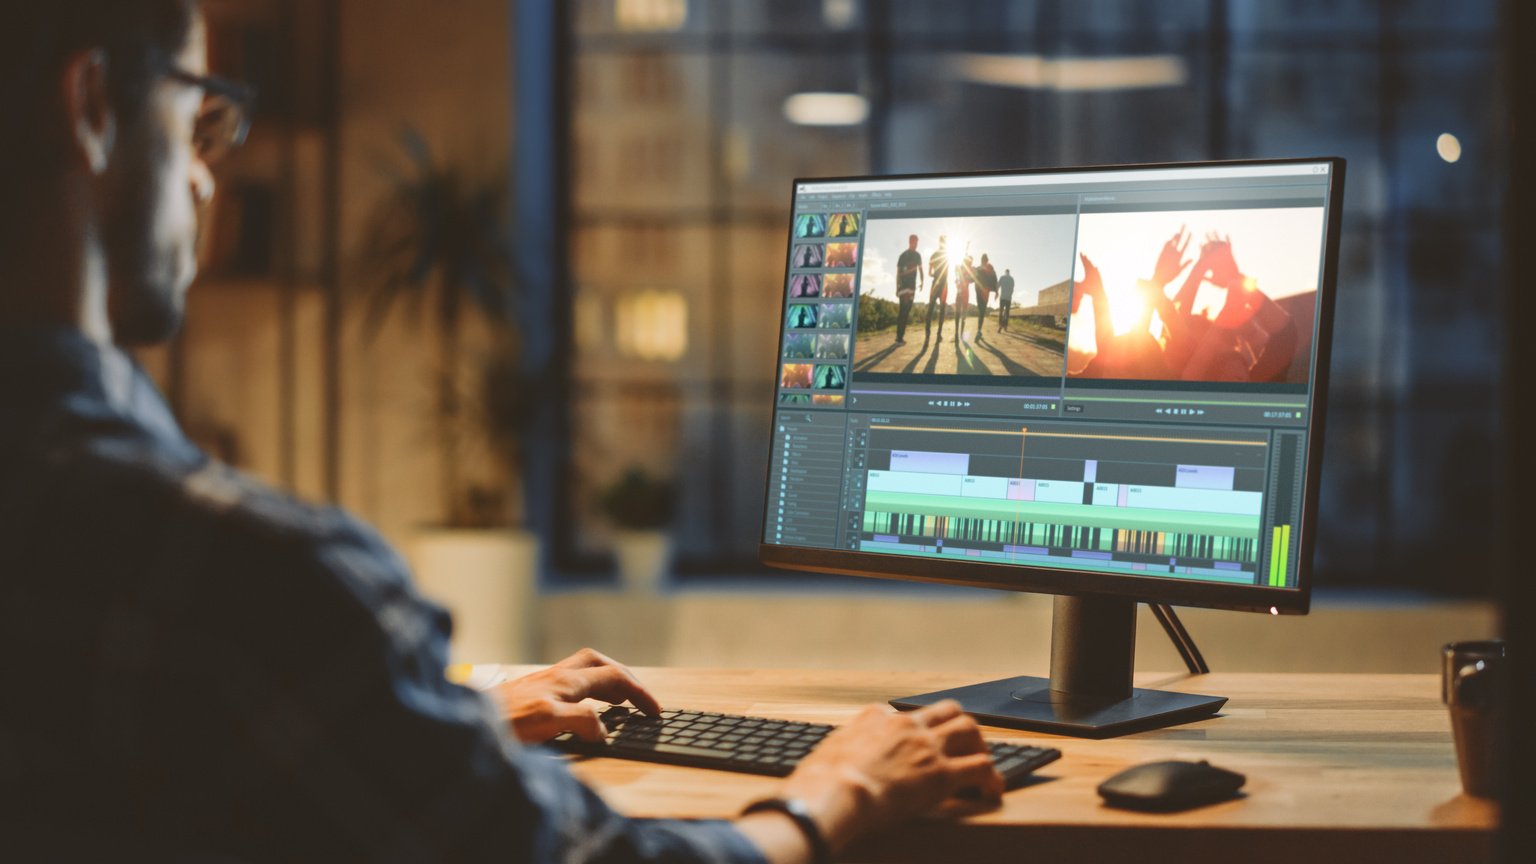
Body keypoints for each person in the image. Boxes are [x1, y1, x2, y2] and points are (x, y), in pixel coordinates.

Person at [0, 3, 1004, 861]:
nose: (207, 179)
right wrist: (836, 794)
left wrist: (439, 726)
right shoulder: (246, 580)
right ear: (90, 108)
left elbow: (195, 760)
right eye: (197, 120)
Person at [893, 233, 923, 344]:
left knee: (906, 311)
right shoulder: (902, 256)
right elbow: (898, 273)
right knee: (903, 311)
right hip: (904, 287)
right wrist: (897, 287)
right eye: (915, 242)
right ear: (911, 242)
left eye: (917, 242)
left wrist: (922, 280)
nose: (916, 244)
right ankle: (898, 337)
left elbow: (920, 269)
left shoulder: (918, 255)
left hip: (912, 288)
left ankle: (900, 336)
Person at [925, 235, 950, 341]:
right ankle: (938, 335)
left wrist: (934, 275)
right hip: (944, 284)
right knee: (942, 309)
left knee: (930, 308)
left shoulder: (934, 255)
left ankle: (927, 333)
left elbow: (929, 272)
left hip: (935, 283)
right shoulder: (948, 255)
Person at [974, 254, 998, 335]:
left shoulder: (982, 268)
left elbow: (994, 278)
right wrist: (996, 291)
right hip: (983, 292)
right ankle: (979, 330)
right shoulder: (985, 268)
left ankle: (979, 330)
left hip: (980, 292)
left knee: (981, 310)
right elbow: (995, 279)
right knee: (982, 311)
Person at [954, 254, 974, 342]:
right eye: (970, 261)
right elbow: (957, 275)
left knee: (963, 314)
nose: (971, 263)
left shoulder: (970, 270)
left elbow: (973, 279)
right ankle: (957, 332)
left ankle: (960, 332)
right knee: (958, 313)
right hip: (961, 292)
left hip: (964, 292)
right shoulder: (961, 267)